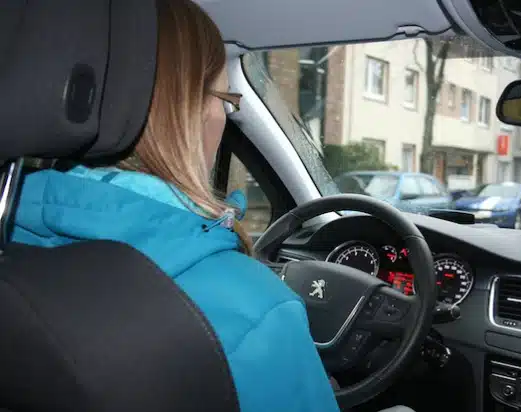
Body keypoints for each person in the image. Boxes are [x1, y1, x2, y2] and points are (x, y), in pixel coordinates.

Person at [10, 0, 414, 411]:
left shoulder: (15, 237)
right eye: (224, 97)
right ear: (187, 109)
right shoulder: (251, 307)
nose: (224, 114)